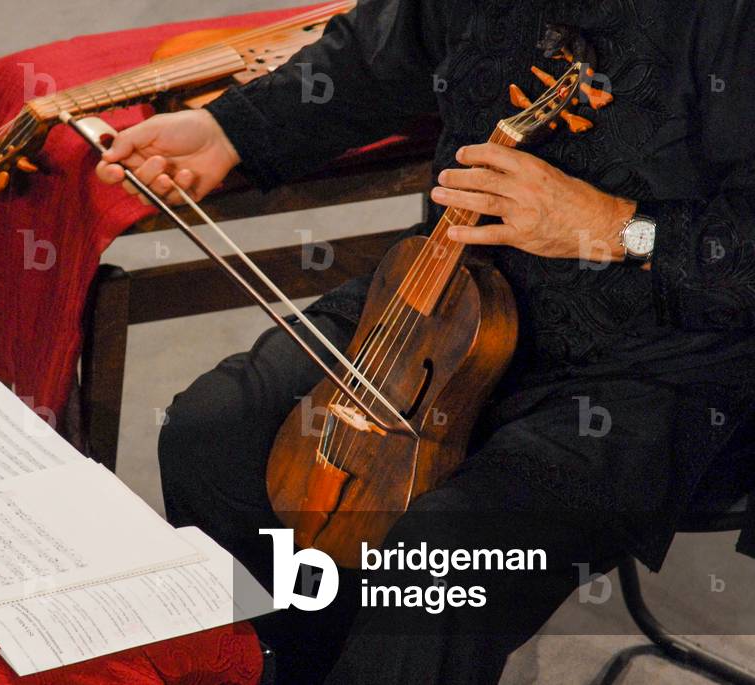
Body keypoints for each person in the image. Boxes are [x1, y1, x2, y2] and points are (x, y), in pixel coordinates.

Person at [96, 1, 755, 682]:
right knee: (213, 434)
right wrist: (227, 131)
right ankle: (292, 662)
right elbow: (375, 55)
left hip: (658, 358)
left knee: (436, 564)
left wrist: (614, 225)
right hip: (449, 292)